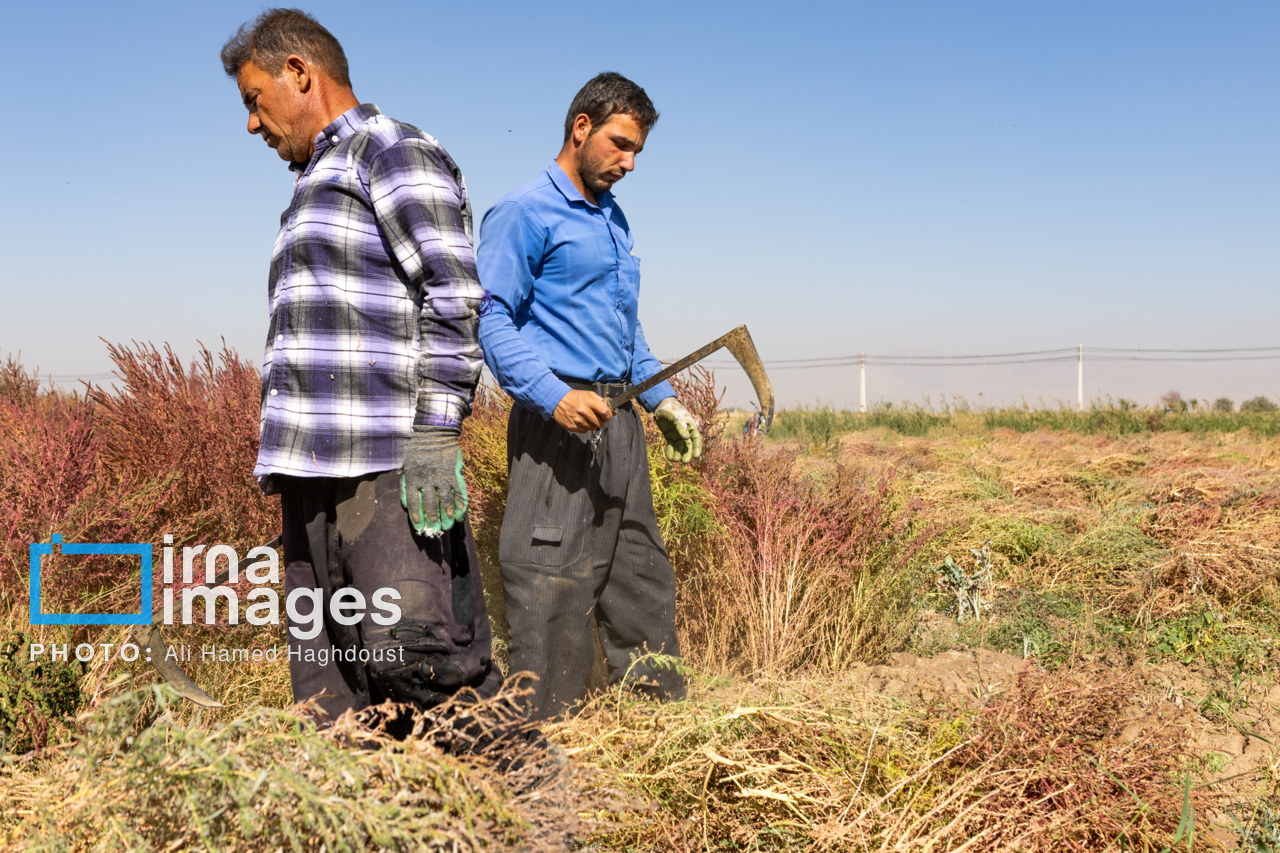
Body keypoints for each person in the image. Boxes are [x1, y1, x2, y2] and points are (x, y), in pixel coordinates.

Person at [220, 8, 500, 720]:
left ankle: (531, 822)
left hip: (385, 475)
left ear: (299, 73)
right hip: (312, 484)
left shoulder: (389, 149)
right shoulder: (318, 179)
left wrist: (437, 431)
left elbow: (454, 291)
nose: (251, 124)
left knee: (430, 674)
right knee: (333, 699)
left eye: (255, 100)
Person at [476, 72, 702, 719]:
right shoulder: (524, 212)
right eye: (621, 145)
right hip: (558, 429)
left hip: (621, 427)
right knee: (550, 584)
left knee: (640, 576)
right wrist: (552, 396)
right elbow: (491, 317)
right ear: (581, 127)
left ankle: (655, 728)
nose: (629, 163)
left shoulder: (613, 220)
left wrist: (664, 401)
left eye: (637, 152)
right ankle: (547, 742)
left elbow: (624, 331)